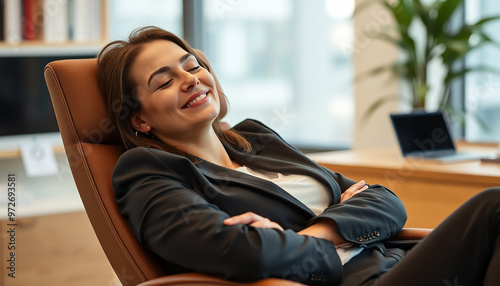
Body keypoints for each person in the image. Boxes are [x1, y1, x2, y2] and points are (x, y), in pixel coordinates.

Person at [97, 26, 500, 285]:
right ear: (140, 120)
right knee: (493, 207)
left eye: (193, 65)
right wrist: (341, 223)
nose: (190, 80)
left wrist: (314, 233)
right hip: (354, 281)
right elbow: (239, 252)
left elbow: (385, 202)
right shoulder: (147, 170)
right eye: (165, 81)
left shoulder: (255, 139)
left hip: (400, 263)